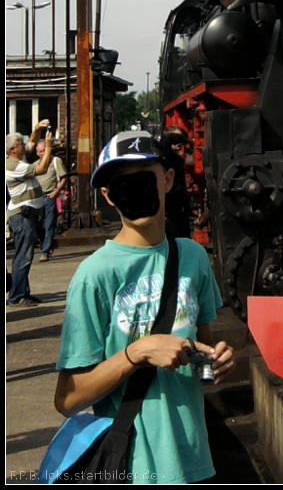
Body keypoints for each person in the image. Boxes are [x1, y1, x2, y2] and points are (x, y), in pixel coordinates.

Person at [54, 131, 234, 485]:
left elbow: (203, 345)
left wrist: (217, 362)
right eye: (122, 185)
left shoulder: (193, 257)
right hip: (131, 465)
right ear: (108, 195)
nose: (135, 192)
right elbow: (68, 398)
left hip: (194, 461)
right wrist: (138, 352)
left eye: (144, 179)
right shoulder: (94, 275)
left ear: (167, 180)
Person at [6, 128, 54, 305]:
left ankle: (22, 292)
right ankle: (17, 296)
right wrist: (49, 147)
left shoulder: (17, 159)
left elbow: (31, 143)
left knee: (24, 255)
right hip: (22, 215)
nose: (24, 145)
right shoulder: (14, 166)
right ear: (12, 150)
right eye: (20, 144)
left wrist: (37, 129)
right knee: (23, 256)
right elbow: (41, 168)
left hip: (27, 214)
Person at [34, 141, 68, 261]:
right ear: (37, 153)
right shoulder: (35, 165)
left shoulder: (55, 161)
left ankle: (45, 252)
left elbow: (64, 177)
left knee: (49, 225)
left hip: (50, 196)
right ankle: (48, 243)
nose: (42, 153)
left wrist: (56, 191)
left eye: (44, 150)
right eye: (40, 151)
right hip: (38, 198)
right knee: (37, 225)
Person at [159, 126, 194, 239]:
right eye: (176, 140)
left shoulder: (177, 160)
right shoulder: (163, 155)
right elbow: (166, 139)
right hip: (167, 211)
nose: (179, 145)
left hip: (180, 211)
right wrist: (187, 140)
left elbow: (182, 187)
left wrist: (188, 210)